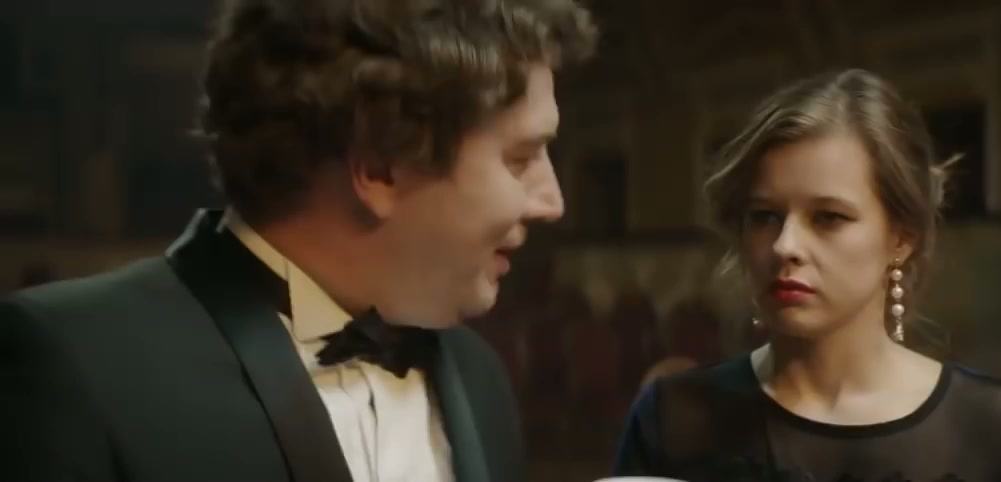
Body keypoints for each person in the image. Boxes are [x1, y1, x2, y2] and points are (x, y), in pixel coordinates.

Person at [0, 1, 596, 481]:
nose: (553, 201)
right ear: (380, 168)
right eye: (521, 158)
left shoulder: (478, 376)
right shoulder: (75, 366)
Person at [611, 69, 1001, 482]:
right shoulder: (674, 420)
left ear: (901, 238)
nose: (785, 245)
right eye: (765, 216)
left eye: (828, 217)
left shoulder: (998, 434)